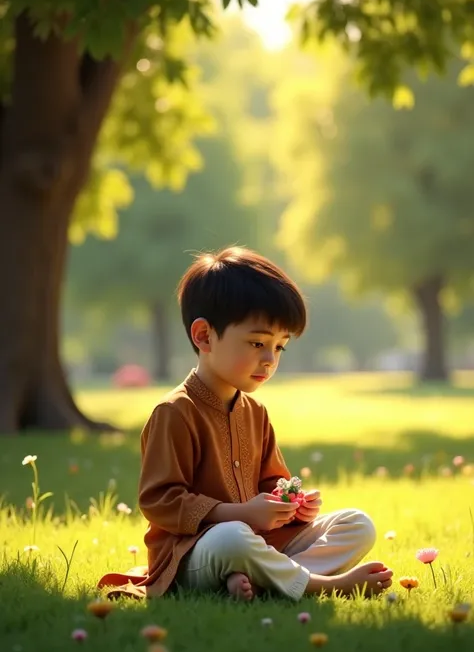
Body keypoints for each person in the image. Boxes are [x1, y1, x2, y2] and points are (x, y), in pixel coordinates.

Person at [98, 246, 393, 601]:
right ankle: (318, 584)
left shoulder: (256, 412)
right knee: (232, 536)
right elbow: (160, 500)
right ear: (204, 336)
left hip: (261, 544)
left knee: (357, 524)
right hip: (195, 555)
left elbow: (271, 481)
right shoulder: (175, 412)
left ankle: (262, 579)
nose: (269, 359)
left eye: (280, 347)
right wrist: (239, 513)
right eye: (257, 343)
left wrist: (293, 503)